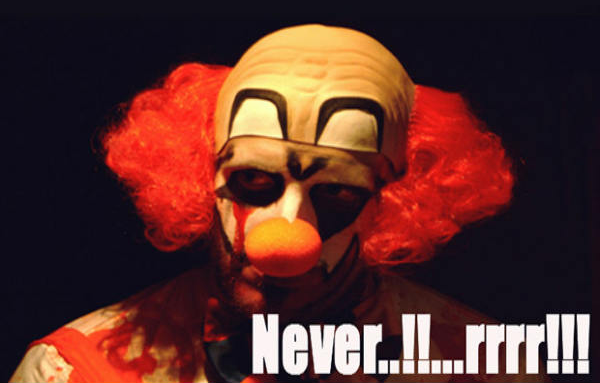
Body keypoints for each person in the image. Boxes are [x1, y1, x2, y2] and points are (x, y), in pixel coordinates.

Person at [10, 24, 542, 382]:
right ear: (199, 175)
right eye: (253, 181)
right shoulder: (74, 371)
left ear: (391, 201)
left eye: (337, 192)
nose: (285, 235)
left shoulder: (491, 368)